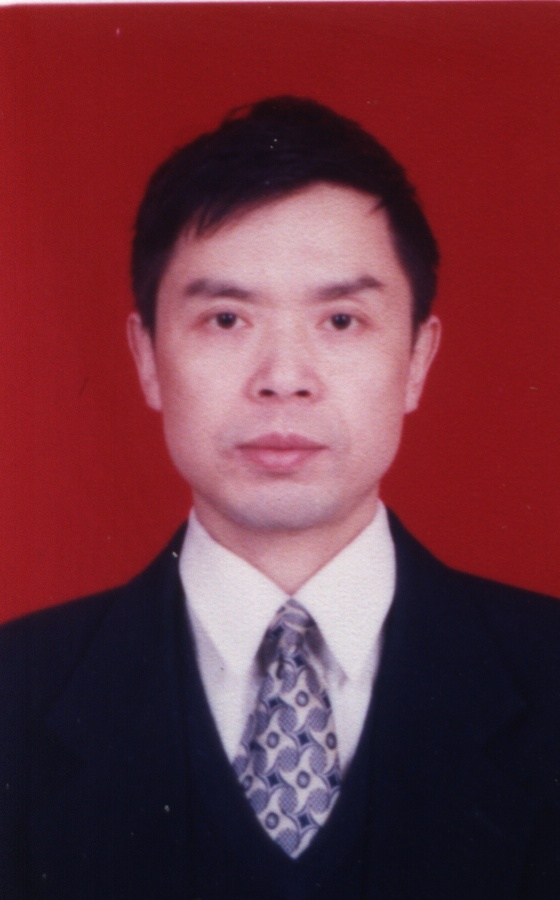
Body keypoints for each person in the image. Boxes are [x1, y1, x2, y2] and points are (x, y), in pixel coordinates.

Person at [1, 96, 559, 900]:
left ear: (417, 360)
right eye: (227, 319)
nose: (284, 378)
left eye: (341, 320)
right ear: (148, 359)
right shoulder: (15, 691)